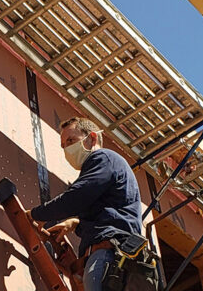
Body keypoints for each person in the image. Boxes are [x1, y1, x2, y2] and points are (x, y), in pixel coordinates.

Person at [27, 117, 142, 291]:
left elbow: (76, 198)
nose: (67, 149)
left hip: (109, 257)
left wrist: (35, 215)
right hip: (120, 262)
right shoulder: (110, 166)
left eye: (71, 141)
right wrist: (75, 223)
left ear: (93, 138)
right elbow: (112, 212)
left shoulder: (103, 158)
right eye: (64, 145)